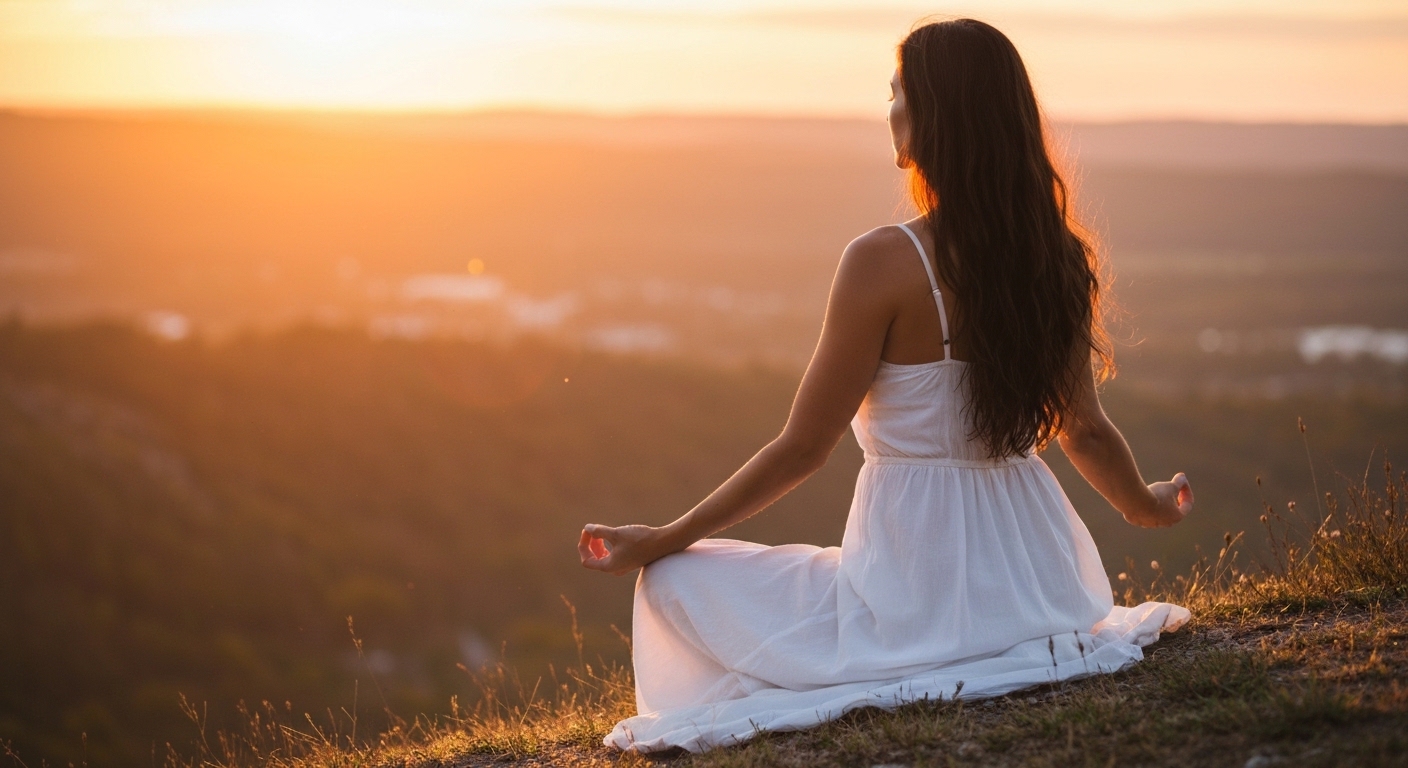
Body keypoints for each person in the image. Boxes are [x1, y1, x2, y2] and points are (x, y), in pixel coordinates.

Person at [577, 18, 1193, 754]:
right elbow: (1084, 428)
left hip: (907, 591)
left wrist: (667, 538)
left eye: (898, 94)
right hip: (1039, 586)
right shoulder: (1057, 258)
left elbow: (803, 449)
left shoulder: (882, 262)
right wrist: (1146, 506)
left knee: (675, 584)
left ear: (938, 119)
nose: (890, 112)